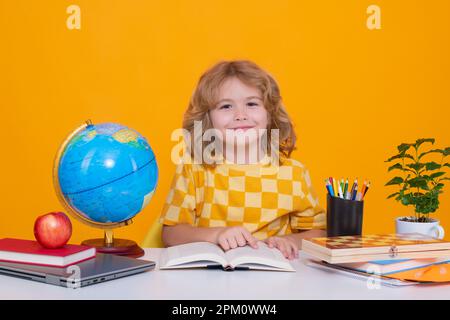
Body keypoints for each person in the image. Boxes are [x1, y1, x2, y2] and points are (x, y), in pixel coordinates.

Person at [159, 60, 326, 260]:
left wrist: (291, 241)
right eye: (226, 106)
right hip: (209, 278)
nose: (240, 115)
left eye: (252, 103)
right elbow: (170, 233)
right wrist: (216, 235)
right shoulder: (193, 169)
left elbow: (319, 232)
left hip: (275, 281)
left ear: (270, 114)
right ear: (207, 119)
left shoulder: (294, 173)